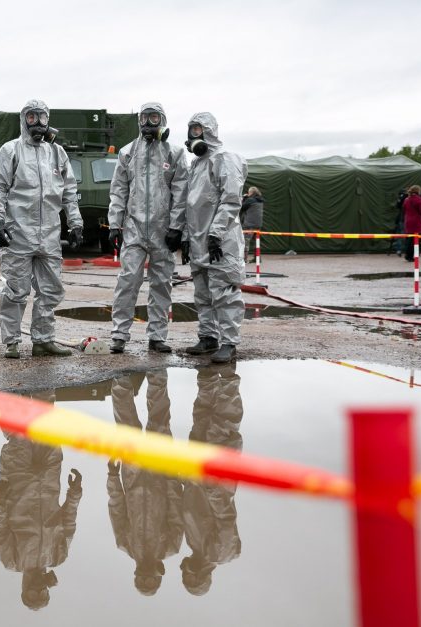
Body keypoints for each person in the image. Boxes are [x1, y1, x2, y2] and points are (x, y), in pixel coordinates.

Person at [0, 98, 84, 359]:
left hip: (49, 235)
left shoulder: (57, 153)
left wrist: (75, 223)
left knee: (50, 290)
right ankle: (12, 342)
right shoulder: (11, 151)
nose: (38, 123)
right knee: (15, 290)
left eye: (42, 118)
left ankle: (43, 341)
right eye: (32, 118)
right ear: (23, 120)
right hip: (17, 234)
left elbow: (69, 192)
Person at [107, 102, 188, 355]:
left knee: (161, 284)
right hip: (133, 228)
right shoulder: (128, 152)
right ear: (139, 121)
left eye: (154, 117)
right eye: (145, 117)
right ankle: (120, 335)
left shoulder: (174, 153)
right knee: (128, 282)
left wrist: (177, 227)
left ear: (162, 120)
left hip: (163, 232)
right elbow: (119, 190)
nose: (149, 123)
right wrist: (114, 223)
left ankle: (157, 336)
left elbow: (181, 191)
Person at [168, 112, 247, 364]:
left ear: (210, 131)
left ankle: (229, 343)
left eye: (198, 130)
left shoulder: (225, 159)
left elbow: (231, 199)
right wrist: (188, 238)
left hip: (221, 241)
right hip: (201, 240)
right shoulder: (197, 165)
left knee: (224, 292)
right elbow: (193, 206)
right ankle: (208, 337)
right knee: (202, 294)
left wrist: (216, 233)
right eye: (191, 130)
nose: (193, 135)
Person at [106, 371, 184, 596]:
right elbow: (176, 509)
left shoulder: (125, 544)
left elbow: (116, 507)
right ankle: (157, 372)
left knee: (126, 426)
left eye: (143, 578)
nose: (147, 574)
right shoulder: (171, 546)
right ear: (158, 576)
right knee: (159, 421)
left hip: (132, 475)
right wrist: (172, 476)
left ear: (137, 574)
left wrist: (112, 477)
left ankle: (121, 378)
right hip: (161, 472)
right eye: (151, 579)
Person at [0, 426, 83, 611]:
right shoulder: (58, 556)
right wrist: (74, 493)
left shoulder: (12, 561)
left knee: (17, 432)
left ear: (24, 589)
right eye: (43, 594)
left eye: (33, 594)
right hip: (49, 480)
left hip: (18, 482)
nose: (38, 590)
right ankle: (43, 396)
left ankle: (8, 397)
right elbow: (69, 521)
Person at [181, 363, 243, 596]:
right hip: (217, 473)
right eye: (186, 574)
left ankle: (207, 376)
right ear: (198, 576)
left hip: (199, 472)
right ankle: (227, 374)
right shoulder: (221, 553)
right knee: (223, 423)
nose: (182, 569)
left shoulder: (195, 546)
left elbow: (191, 507)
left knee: (202, 420)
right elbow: (224, 512)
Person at [402, 185, 421, 262]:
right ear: (418, 191)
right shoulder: (419, 200)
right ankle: (413, 256)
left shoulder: (406, 199)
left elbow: (404, 209)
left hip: (408, 221)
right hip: (416, 222)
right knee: (415, 240)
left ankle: (407, 254)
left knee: (409, 239)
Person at [240, 187, 264, 263]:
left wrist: (244, 198)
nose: (248, 193)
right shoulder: (260, 200)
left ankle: (244, 260)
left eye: (249, 192)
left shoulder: (250, 200)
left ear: (252, 193)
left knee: (245, 242)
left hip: (249, 224)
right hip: (258, 224)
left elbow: (242, 207)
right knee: (256, 241)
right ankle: (257, 258)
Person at [392, 189, 409, 256]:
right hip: (403, 219)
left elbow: (398, 205)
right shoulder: (408, 198)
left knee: (401, 235)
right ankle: (401, 249)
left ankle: (400, 249)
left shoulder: (404, 198)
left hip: (403, 219)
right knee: (402, 235)